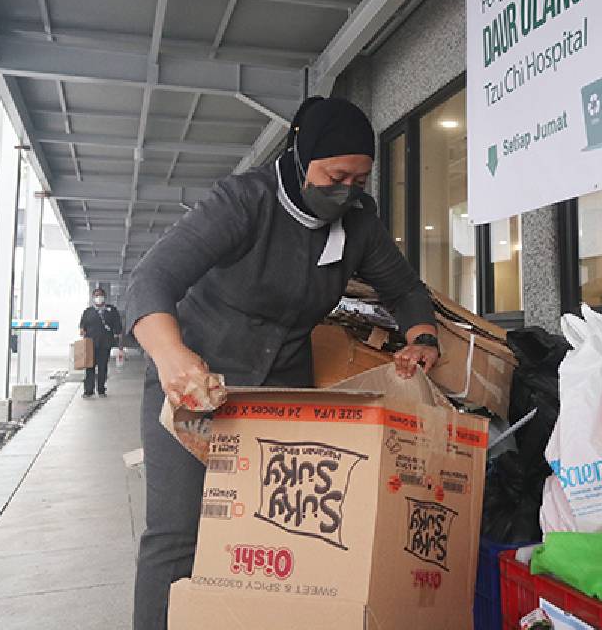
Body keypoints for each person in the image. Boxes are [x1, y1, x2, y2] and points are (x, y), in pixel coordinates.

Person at [124, 97, 441, 630]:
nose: (346, 191)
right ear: (301, 158)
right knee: (178, 535)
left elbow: (405, 289)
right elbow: (151, 281)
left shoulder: (358, 226)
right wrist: (171, 355)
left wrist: (422, 336)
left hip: (280, 401)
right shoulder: (244, 202)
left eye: (359, 182)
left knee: (272, 536)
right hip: (196, 389)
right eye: (336, 175)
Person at [78, 287, 123, 398]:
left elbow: (118, 327)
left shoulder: (111, 310)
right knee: (90, 367)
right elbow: (82, 325)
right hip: (90, 344)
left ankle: (101, 389)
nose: (99, 298)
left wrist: (119, 343)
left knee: (103, 367)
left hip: (105, 343)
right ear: (93, 298)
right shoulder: (88, 311)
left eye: (100, 295)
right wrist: (82, 331)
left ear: (105, 297)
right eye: (96, 296)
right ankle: (88, 390)